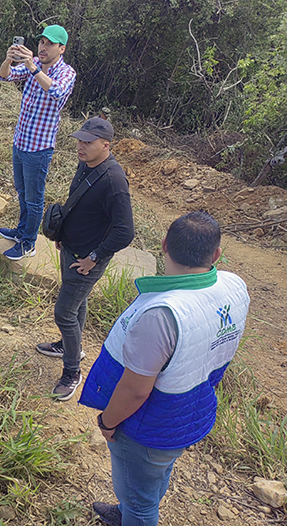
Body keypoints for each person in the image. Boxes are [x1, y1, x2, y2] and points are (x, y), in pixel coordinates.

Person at [80, 211, 249, 526]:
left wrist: (107, 420)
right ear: (216, 254)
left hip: (149, 427)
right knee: (154, 474)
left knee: (142, 502)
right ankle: (129, 508)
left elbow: (135, 389)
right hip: (189, 413)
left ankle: (134, 511)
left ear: (164, 246)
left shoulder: (161, 314)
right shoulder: (234, 287)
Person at [36, 117, 134, 401]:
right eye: (80, 140)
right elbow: (77, 202)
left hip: (87, 259)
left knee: (64, 312)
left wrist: (94, 257)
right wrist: (63, 234)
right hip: (71, 248)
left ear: (106, 145)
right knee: (77, 305)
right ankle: (71, 347)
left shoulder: (114, 181)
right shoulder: (86, 164)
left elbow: (125, 232)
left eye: (88, 143)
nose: (81, 146)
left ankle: (72, 372)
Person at [0, 25, 77, 260]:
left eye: (50, 44)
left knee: (34, 199)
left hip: (39, 148)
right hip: (20, 141)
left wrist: (32, 66)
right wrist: (8, 60)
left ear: (61, 49)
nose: (43, 47)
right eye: (42, 42)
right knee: (22, 192)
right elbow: (4, 76)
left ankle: (29, 243)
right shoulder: (33, 64)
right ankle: (22, 231)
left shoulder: (65, 73)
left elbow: (56, 91)